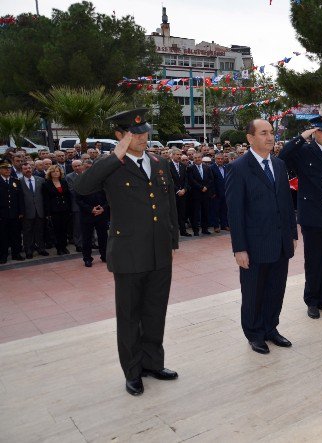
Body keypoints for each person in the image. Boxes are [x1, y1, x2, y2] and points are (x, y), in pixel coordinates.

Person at [75, 108, 180, 396]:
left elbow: (168, 202)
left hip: (159, 251)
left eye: (145, 131)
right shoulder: (111, 165)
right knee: (130, 315)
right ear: (120, 136)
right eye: (136, 133)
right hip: (129, 253)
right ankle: (132, 371)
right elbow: (82, 187)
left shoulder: (159, 163)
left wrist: (172, 240)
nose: (144, 136)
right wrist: (113, 155)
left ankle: (152, 363)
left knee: (155, 311)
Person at [225, 119, 298, 354]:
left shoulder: (278, 165)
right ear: (250, 138)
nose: (270, 137)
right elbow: (235, 212)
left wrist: (292, 234)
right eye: (263, 133)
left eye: (271, 133)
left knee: (276, 289)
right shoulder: (238, 168)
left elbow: (286, 204)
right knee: (254, 292)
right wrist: (239, 248)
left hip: (280, 242)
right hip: (254, 245)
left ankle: (270, 329)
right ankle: (255, 334)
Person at [279, 115, 322, 319]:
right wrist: (301, 137)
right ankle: (311, 300)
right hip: (311, 216)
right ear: (314, 132)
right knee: (313, 261)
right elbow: (283, 156)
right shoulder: (303, 151)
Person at [76, 183, 109, 267]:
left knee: (103, 236)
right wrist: (91, 209)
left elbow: (109, 197)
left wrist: (103, 208)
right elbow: (78, 199)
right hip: (86, 215)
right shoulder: (82, 182)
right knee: (87, 238)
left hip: (102, 214)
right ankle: (87, 258)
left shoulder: (102, 182)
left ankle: (105, 256)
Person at [19, 163, 48, 259]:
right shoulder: (18, 181)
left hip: (40, 210)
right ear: (21, 170)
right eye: (25, 168)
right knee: (27, 232)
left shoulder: (40, 180)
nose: (27, 170)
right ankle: (28, 250)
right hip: (27, 211)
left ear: (32, 169)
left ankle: (41, 248)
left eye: (29, 168)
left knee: (40, 231)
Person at [43, 165, 72, 255]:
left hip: (65, 209)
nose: (56, 173)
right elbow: (46, 199)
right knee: (56, 230)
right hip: (54, 210)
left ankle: (64, 247)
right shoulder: (46, 184)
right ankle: (59, 248)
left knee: (64, 229)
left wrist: (69, 208)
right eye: (53, 171)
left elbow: (68, 196)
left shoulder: (63, 181)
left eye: (57, 171)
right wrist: (48, 213)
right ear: (50, 173)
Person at [0, 161, 24, 263]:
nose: (7, 170)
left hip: (14, 213)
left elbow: (20, 198)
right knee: (2, 236)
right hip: (2, 214)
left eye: (9, 168)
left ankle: (16, 253)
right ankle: (3, 255)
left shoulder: (16, 181)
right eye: (5, 168)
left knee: (16, 235)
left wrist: (21, 212)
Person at [187, 152, 213, 236]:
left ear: (201, 158)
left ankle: (205, 229)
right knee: (195, 213)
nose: (197, 159)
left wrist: (206, 187)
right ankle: (196, 230)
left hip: (206, 193)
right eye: (195, 158)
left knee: (205, 211)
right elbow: (191, 180)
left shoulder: (207, 167)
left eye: (198, 157)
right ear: (193, 159)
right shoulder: (190, 168)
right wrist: (201, 187)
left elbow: (211, 179)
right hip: (196, 193)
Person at [169, 148, 190, 237]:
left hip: (183, 194)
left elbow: (186, 179)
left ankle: (183, 231)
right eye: (177, 155)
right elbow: (169, 180)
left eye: (180, 154)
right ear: (172, 155)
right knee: (173, 214)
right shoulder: (168, 166)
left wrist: (184, 189)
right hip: (173, 194)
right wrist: (177, 190)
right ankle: (173, 233)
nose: (179, 156)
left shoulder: (183, 166)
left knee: (182, 213)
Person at [65, 160, 84, 252]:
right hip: (77, 205)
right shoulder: (69, 177)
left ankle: (91, 242)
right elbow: (73, 191)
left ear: (82, 165)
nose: (77, 168)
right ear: (72, 167)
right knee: (77, 226)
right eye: (75, 166)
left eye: (79, 165)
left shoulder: (88, 174)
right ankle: (78, 244)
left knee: (90, 224)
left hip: (90, 205)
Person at [209, 152, 229, 232]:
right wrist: (212, 193)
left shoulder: (226, 167)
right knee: (215, 210)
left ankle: (225, 225)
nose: (220, 160)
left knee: (225, 210)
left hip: (225, 193)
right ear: (215, 159)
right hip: (216, 193)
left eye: (221, 159)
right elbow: (211, 181)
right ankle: (216, 226)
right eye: (218, 159)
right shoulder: (211, 168)